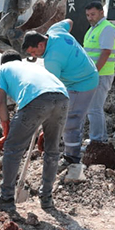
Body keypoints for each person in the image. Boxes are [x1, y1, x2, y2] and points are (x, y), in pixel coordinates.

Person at [0, 51, 69, 210]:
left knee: (13, 149)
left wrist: (6, 132)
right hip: (62, 97)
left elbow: (1, 103)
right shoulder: (32, 67)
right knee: (52, 150)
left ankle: (6, 198)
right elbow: (50, 99)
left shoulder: (2, 70)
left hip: (36, 100)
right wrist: (45, 127)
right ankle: (47, 198)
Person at [21, 19, 99, 165]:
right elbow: (69, 21)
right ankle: (71, 143)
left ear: (41, 44)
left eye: (33, 52)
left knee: (71, 120)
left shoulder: (52, 60)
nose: (34, 56)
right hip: (76, 76)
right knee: (66, 116)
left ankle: (72, 158)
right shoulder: (55, 30)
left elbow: (51, 92)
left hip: (84, 82)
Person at [83, 1, 115, 143]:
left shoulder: (107, 29)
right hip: (96, 74)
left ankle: (96, 140)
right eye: (87, 15)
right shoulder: (93, 28)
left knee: (94, 109)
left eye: (93, 14)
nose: (90, 17)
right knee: (94, 109)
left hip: (101, 74)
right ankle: (101, 138)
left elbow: (106, 52)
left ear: (101, 13)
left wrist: (94, 72)